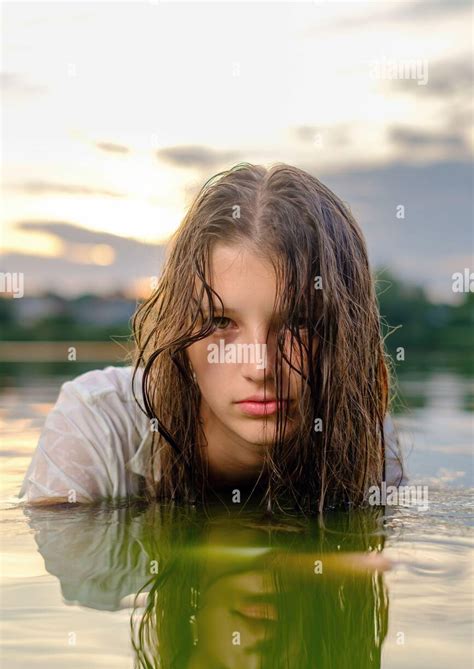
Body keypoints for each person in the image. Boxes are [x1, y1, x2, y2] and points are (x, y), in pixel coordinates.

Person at [18, 162, 407, 512]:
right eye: (220, 322)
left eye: (299, 322)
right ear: (180, 331)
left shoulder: (357, 426)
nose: (261, 366)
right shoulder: (96, 425)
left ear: (344, 338)